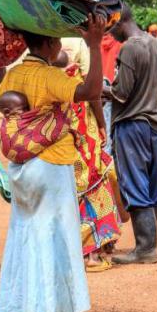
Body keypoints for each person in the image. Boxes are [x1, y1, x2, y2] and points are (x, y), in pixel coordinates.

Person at [0, 14, 104, 312]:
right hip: (51, 166)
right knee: (53, 242)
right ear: (50, 43)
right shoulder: (49, 76)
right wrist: (94, 46)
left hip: (22, 169)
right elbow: (91, 90)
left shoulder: (14, 74)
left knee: (26, 239)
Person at [105, 6, 157, 265]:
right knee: (152, 185)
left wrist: (101, 89)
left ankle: (144, 248)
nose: (110, 33)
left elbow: (121, 93)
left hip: (131, 124)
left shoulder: (129, 48)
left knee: (134, 184)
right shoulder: (155, 44)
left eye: (110, 26)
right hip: (152, 123)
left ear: (118, 21)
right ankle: (149, 245)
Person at [53, 51, 122, 272]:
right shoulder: (79, 80)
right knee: (97, 190)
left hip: (64, 151)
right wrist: (101, 125)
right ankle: (95, 251)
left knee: (70, 197)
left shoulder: (50, 84)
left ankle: (76, 252)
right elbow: (95, 100)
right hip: (88, 146)